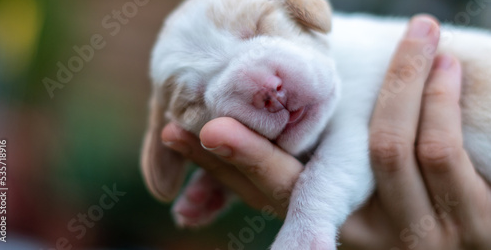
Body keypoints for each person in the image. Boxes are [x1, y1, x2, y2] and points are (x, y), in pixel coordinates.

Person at [160, 15, 491, 249]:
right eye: (195, 100)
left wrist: (311, 223)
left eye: (256, 31)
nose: (271, 91)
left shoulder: (351, 48)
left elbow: (349, 142)